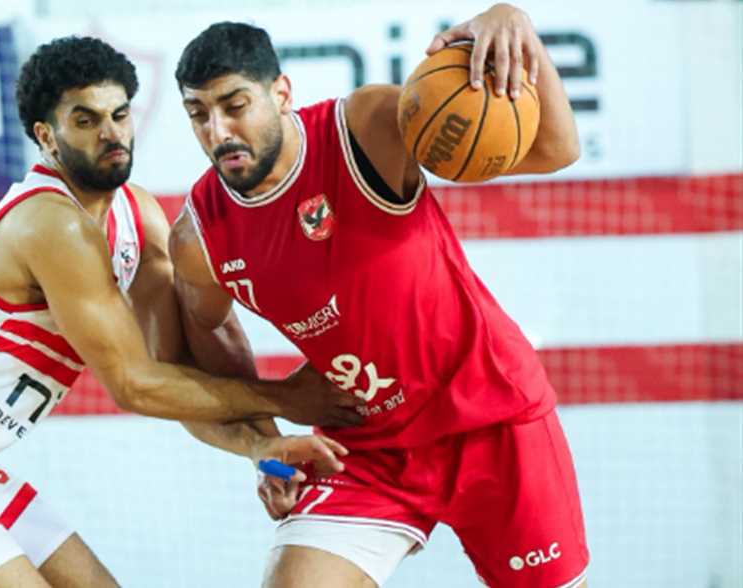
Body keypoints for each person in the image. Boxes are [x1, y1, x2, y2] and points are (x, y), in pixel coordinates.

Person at [0, 35, 360, 588]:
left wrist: (263, 447)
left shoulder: (137, 214)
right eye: (86, 120)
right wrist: (285, 397)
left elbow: (176, 375)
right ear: (47, 136)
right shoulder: (51, 223)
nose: (111, 134)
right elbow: (135, 386)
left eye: (119, 114)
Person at [169, 4, 589, 588]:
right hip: (365, 445)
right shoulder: (199, 238)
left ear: (281, 93)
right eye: (198, 114)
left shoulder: (363, 128)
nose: (218, 132)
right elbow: (210, 337)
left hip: (490, 414)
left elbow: (556, 150)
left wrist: (512, 21)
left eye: (234, 106)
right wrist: (269, 446)